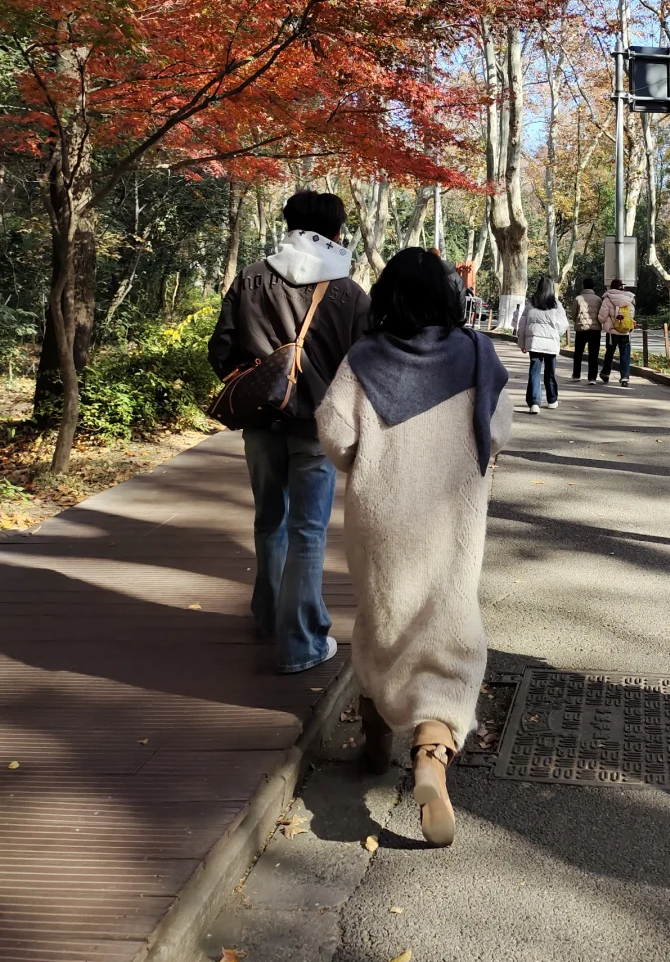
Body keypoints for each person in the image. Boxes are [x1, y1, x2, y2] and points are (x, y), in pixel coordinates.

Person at [316, 247, 512, 846]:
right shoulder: (477, 353)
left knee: (383, 617)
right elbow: (500, 430)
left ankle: (376, 743)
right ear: (450, 294)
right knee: (449, 617)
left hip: (382, 513)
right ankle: (432, 749)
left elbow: (335, 435)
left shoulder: (363, 359)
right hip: (453, 514)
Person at [208, 190, 369, 674]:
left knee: (268, 520)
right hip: (316, 426)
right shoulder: (348, 291)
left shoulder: (252, 276)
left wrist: (251, 382)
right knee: (308, 532)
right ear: (336, 233)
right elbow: (362, 365)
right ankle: (300, 642)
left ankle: (268, 616)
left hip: (259, 421)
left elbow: (221, 348)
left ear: (289, 223)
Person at [516, 275, 569, 414]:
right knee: (550, 372)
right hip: (551, 344)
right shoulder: (556, 305)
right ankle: (552, 400)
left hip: (534, 343)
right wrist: (555, 334)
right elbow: (563, 324)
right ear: (551, 287)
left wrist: (522, 343)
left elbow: (522, 325)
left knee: (534, 371)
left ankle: (534, 403)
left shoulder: (531, 303)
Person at [599, 278, 635, 386]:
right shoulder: (629, 298)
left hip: (612, 332)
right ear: (622, 287)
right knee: (625, 354)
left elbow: (602, 316)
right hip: (625, 331)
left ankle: (605, 373)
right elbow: (632, 314)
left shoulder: (607, 298)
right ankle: (625, 376)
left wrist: (604, 321)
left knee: (609, 353)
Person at [569, 277, 603, 382]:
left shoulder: (578, 298)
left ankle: (576, 374)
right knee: (594, 354)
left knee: (578, 353)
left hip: (581, 329)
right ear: (593, 287)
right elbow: (601, 314)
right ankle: (592, 378)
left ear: (583, 286)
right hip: (595, 329)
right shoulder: (598, 299)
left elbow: (573, 313)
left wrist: (578, 321)